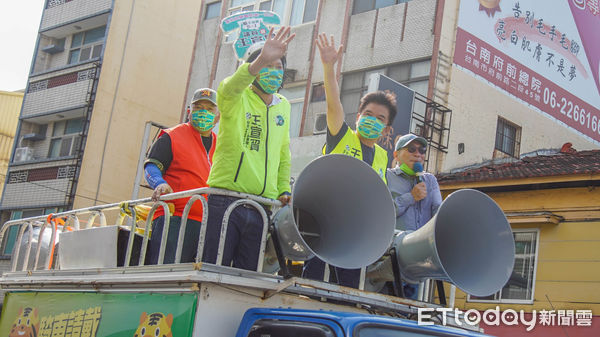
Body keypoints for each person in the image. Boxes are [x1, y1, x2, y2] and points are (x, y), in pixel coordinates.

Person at [302, 33, 398, 288]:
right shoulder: (341, 136)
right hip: (325, 228)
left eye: (379, 118)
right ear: (357, 117)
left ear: (386, 130)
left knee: (346, 292)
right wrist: (329, 67)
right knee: (313, 288)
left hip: (356, 240)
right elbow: (333, 106)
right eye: (367, 114)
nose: (372, 120)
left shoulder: (382, 157)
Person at [202, 26, 296, 271]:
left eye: (278, 67)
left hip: (261, 205)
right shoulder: (235, 97)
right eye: (267, 66)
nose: (274, 72)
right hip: (226, 199)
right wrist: (260, 59)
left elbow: (283, 152)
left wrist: (283, 188)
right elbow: (229, 87)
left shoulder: (284, 106)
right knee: (214, 270)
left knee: (248, 276)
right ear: (253, 70)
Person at [144, 88, 219, 264]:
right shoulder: (171, 136)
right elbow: (152, 166)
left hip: (209, 225)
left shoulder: (222, 146)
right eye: (198, 107)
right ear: (189, 112)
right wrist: (159, 183)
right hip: (174, 220)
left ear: (217, 117)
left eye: (209, 110)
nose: (203, 113)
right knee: (167, 276)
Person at [386, 133, 442, 298]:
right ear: (396, 155)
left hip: (419, 262)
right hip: (390, 259)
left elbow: (438, 213)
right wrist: (411, 197)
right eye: (411, 149)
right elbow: (385, 214)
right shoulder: (387, 176)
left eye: (422, 150)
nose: (418, 154)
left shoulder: (430, 180)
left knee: (410, 311)